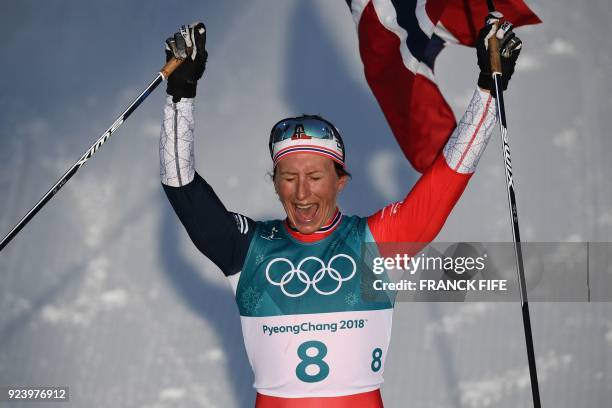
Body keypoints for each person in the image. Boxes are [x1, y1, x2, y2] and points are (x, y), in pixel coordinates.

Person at [159, 15, 522, 408]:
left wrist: (488, 89)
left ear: (340, 181)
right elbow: (181, 186)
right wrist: (181, 94)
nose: (301, 193)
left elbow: (449, 174)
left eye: (315, 176)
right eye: (288, 177)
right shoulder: (246, 249)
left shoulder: (374, 245)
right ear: (275, 182)